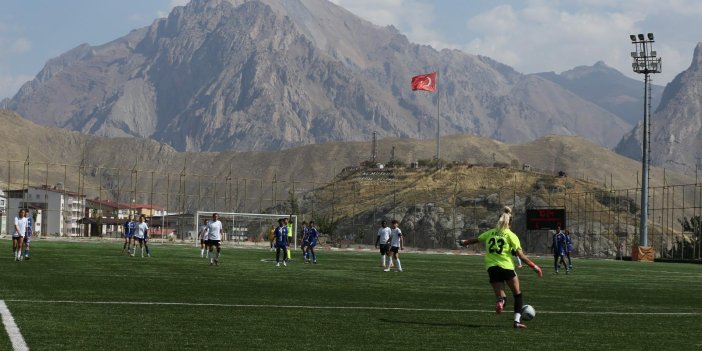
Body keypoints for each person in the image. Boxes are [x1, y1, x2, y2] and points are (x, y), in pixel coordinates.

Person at [460, 206, 543, 329]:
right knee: (517, 295)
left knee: (501, 296)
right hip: (507, 267)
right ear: (510, 223)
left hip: (492, 268)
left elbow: (476, 240)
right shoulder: (511, 235)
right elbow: (521, 256)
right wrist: (535, 266)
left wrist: (465, 242)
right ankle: (516, 322)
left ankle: (501, 302)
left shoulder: (490, 232)